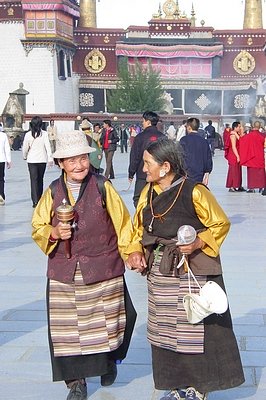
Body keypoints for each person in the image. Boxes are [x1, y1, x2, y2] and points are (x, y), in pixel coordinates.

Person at [125, 138, 245, 400]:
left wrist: (199, 241)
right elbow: (137, 228)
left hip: (192, 270)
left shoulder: (195, 191)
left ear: (165, 167)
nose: (143, 169)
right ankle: (175, 385)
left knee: (195, 327)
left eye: (147, 164)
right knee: (165, 330)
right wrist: (134, 251)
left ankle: (199, 388)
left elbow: (220, 224)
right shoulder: (148, 192)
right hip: (160, 273)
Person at [31, 129, 137, 400]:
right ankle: (76, 382)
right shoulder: (53, 191)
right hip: (64, 271)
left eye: (83, 159)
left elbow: (123, 223)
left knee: (110, 322)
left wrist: (132, 252)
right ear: (60, 164)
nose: (79, 165)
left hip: (103, 266)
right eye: (71, 160)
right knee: (67, 330)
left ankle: (108, 361)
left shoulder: (103, 186)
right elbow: (38, 225)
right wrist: (53, 232)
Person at [128, 111, 164, 208]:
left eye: (143, 121)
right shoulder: (163, 137)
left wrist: (131, 173)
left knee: (138, 198)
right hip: (159, 174)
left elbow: (135, 157)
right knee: (158, 198)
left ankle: (144, 217)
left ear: (148, 122)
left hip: (143, 173)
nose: (142, 123)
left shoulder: (140, 137)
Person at [22, 116, 53, 207]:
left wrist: (24, 156)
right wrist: (50, 159)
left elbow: (25, 148)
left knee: (33, 180)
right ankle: (39, 199)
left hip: (31, 160)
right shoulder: (44, 134)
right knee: (40, 179)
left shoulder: (28, 135)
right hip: (42, 160)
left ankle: (35, 200)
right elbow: (48, 147)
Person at [179, 118, 213, 186]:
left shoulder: (184, 140)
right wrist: (207, 173)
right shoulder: (204, 141)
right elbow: (208, 158)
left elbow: (179, 156)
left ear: (189, 127)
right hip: (199, 173)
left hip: (186, 173)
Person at [239, 121, 266, 193]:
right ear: (260, 127)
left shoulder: (249, 135)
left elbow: (241, 140)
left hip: (251, 157)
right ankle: (262, 186)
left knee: (251, 173)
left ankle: (252, 188)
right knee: (260, 172)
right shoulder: (262, 135)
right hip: (260, 156)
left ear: (253, 126)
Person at [224, 121, 245, 192]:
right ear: (235, 127)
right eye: (239, 127)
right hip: (233, 155)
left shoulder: (235, 134)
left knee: (238, 170)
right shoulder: (232, 135)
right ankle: (232, 186)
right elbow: (233, 147)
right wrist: (237, 156)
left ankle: (238, 185)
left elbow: (242, 140)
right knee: (233, 171)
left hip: (237, 154)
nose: (240, 128)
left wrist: (239, 132)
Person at [0, 129, 11, 205]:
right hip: (1, 159)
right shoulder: (3, 135)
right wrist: (9, 160)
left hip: (2, 159)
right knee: (1, 179)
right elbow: (7, 148)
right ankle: (1, 195)